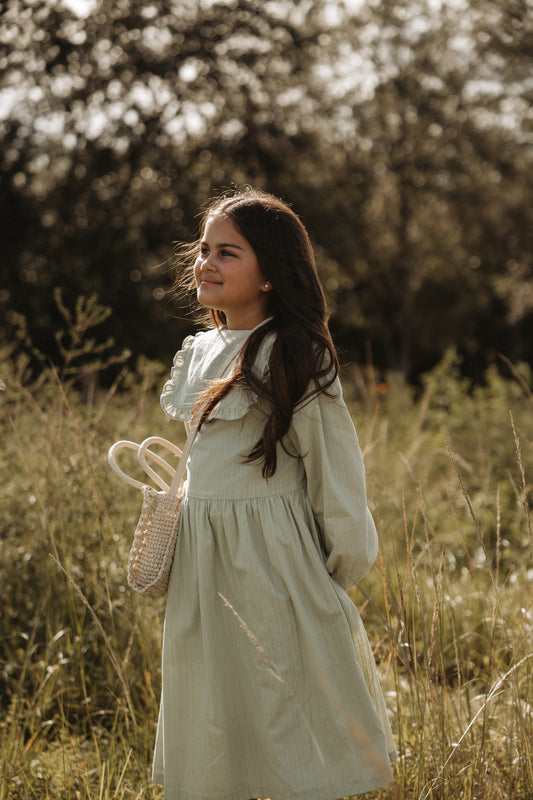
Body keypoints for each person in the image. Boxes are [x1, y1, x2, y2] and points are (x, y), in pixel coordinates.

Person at [153, 187, 396, 800]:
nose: (206, 263)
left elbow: (335, 476)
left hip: (272, 561)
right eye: (204, 250)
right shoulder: (201, 351)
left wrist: (335, 567)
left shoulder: (295, 352)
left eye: (228, 253)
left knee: (280, 697)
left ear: (269, 274)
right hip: (204, 559)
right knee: (213, 698)